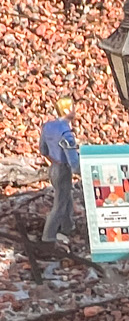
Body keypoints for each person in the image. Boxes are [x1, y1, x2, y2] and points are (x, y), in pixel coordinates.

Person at [39, 97, 80, 246]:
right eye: (72, 107)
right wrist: (83, 171)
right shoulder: (66, 134)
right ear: (67, 110)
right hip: (63, 169)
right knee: (60, 203)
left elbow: (43, 150)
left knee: (66, 196)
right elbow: (73, 161)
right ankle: (48, 236)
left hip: (53, 167)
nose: (75, 111)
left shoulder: (48, 127)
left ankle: (68, 226)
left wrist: (53, 159)